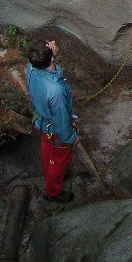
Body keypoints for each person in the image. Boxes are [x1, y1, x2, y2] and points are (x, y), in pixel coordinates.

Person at [26, 38, 79, 203]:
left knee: (47, 152)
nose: (54, 42)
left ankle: (50, 173)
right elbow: (62, 121)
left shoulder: (31, 67)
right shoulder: (55, 91)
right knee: (60, 159)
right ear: (51, 58)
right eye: (50, 45)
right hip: (54, 129)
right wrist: (72, 138)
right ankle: (52, 192)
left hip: (42, 122)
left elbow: (51, 71)